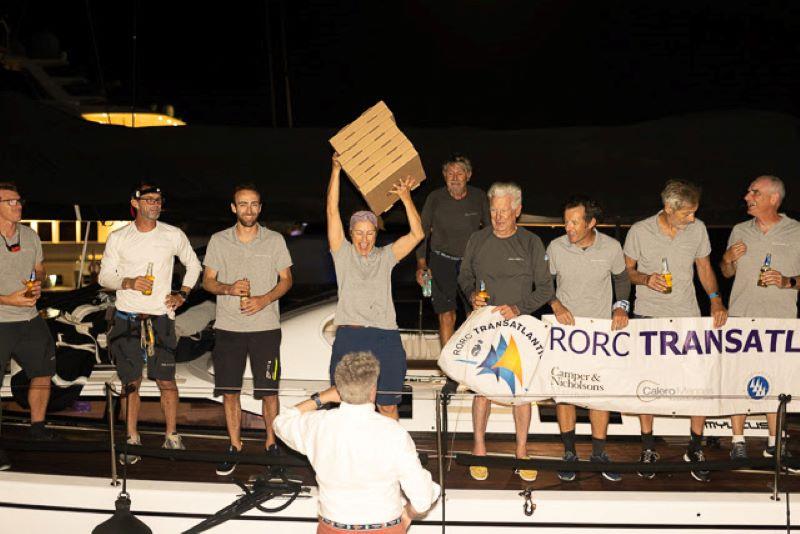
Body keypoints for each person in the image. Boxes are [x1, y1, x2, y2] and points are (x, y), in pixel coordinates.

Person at [623, 179, 728, 483]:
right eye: (687, 213)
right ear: (669, 208)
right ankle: (647, 447)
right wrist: (645, 279)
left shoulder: (698, 229)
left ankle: (695, 448)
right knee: (647, 383)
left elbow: (704, 268)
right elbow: (626, 271)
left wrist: (716, 300)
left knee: (698, 382)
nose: (692, 218)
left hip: (688, 316)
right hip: (647, 317)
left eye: (695, 212)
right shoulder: (640, 230)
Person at [273, 352, 440, 534]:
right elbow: (422, 499)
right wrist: (407, 514)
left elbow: (281, 422)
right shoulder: (393, 432)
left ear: (338, 389)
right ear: (373, 390)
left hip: (332, 528)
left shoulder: (318, 425)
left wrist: (321, 397)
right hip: (384, 529)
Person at [458, 182, 554, 482]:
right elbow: (464, 275)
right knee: (482, 389)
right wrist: (472, 294)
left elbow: (547, 288)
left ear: (517, 210)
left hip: (520, 325)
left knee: (521, 393)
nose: (498, 217)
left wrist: (519, 307)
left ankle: (522, 452)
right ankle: (479, 449)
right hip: (485, 325)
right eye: (494, 210)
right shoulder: (477, 239)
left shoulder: (531, 243)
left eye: (504, 211)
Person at [99, 182, 202, 463]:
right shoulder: (120, 237)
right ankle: (131, 438)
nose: (155, 204)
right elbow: (104, 277)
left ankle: (171, 436)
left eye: (158, 200)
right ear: (135, 204)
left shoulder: (172, 234)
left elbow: (194, 265)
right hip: (126, 318)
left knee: (166, 382)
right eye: (149, 200)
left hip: (161, 319)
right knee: (130, 383)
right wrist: (129, 281)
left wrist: (183, 294)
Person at [203, 183, 293, 475]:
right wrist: (228, 288)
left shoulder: (275, 240)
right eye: (243, 204)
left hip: (266, 328)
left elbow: (286, 280)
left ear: (260, 208)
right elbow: (208, 281)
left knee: (269, 390)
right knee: (230, 391)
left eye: (254, 204)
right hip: (228, 328)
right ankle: (235, 444)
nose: (249, 210)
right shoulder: (218, 240)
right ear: (233, 208)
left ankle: (271, 444)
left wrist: (264, 299)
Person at [326, 153, 424, 420]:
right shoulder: (342, 254)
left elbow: (418, 234)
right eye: (359, 232)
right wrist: (336, 171)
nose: (364, 239)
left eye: (370, 233)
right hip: (350, 337)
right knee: (346, 405)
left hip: (385, 338)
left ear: (376, 235)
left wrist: (405, 197)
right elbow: (332, 211)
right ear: (350, 234)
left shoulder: (386, 257)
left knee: (388, 406)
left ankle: (389, 458)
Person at [546, 196, 630, 483]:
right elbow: (544, 283)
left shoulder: (612, 247)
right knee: (566, 392)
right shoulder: (556, 247)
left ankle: (598, 453)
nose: (567, 227)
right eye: (566, 221)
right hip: (566, 334)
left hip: (600, 333)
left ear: (591, 223)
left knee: (600, 392)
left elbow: (622, 279)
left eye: (574, 222)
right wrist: (556, 305)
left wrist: (621, 306)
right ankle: (569, 453)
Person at [720, 175, 800, 467]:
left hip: (781, 322)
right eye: (748, 191)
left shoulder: (797, 232)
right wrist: (727, 258)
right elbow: (726, 272)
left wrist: (787, 281)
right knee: (738, 380)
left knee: (776, 381)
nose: (746, 196)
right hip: (741, 318)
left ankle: (774, 444)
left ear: (773, 199)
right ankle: (738, 442)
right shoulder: (740, 230)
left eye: (754, 192)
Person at [0, 182, 59, 471]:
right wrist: (6, 298)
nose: (18, 205)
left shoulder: (30, 235)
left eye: (19, 200)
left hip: (30, 319)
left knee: (43, 373)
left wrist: (37, 283)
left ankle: (38, 427)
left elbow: (41, 267)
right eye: (11, 202)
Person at [415, 154, 490, 347]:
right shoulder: (435, 198)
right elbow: (422, 232)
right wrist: (422, 265)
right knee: (446, 315)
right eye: (450, 173)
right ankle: (448, 370)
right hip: (441, 262)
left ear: (469, 175)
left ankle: (471, 364)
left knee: (475, 314)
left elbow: (491, 231)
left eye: (460, 172)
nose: (455, 177)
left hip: (472, 265)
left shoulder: (480, 197)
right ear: (444, 176)